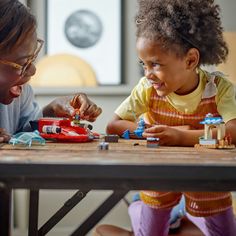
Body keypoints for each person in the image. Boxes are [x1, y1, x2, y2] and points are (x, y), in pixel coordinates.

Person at [94, 0, 236, 235]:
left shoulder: (219, 88)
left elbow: (233, 131)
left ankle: (168, 218)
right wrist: (146, 130)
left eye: (156, 64)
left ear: (190, 60)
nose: (148, 74)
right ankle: (143, 213)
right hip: (159, 178)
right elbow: (114, 124)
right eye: (143, 64)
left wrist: (181, 136)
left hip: (208, 181)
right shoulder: (146, 88)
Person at [0, 0, 102, 143]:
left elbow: (27, 132)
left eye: (32, 59)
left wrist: (52, 110)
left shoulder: (20, 94)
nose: (33, 70)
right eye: (23, 63)